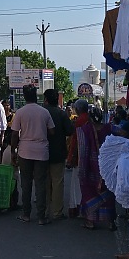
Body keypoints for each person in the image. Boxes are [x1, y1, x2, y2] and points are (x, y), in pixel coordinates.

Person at [11, 84, 55, 225]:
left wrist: (13, 151)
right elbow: (52, 132)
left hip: (25, 151)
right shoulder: (44, 112)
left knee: (26, 183)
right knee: (41, 184)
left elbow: (14, 134)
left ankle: (26, 214)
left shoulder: (20, 112)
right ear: (36, 95)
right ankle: (41, 217)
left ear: (24, 96)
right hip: (41, 151)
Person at [77, 107, 116, 230]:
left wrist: (82, 169)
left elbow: (83, 151)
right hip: (107, 167)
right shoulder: (109, 128)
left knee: (89, 192)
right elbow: (123, 133)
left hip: (90, 167)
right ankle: (111, 222)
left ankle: (90, 222)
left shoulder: (85, 129)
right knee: (108, 194)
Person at [43, 88, 74, 220]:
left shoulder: (42, 113)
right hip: (58, 151)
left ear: (45, 100)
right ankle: (57, 211)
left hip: (42, 152)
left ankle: (44, 209)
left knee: (44, 182)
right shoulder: (61, 114)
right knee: (57, 182)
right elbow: (69, 131)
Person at [66, 99, 90, 217]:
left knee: (77, 184)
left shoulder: (80, 121)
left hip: (80, 157)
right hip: (89, 156)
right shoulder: (89, 119)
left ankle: (80, 209)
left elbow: (75, 141)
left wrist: (71, 158)